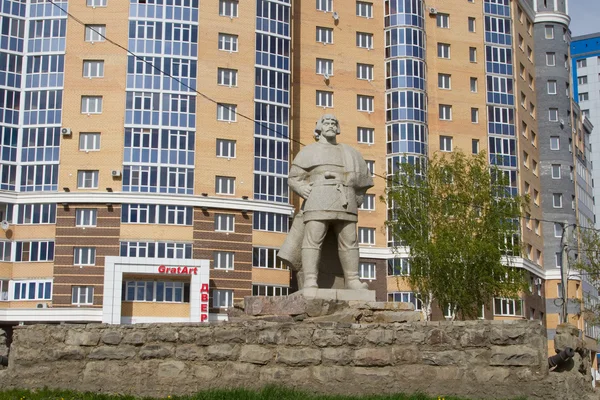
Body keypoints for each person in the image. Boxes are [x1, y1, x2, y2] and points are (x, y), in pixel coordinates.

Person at [280, 114, 374, 290]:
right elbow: (293, 178)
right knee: (313, 238)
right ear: (319, 128)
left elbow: (364, 182)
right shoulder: (308, 151)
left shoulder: (350, 152)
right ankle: (310, 280)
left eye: (333, 123)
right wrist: (301, 189)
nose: (330, 125)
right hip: (318, 197)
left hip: (345, 198)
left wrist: (357, 197)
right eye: (326, 123)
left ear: (338, 128)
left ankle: (352, 280)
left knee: (350, 240)